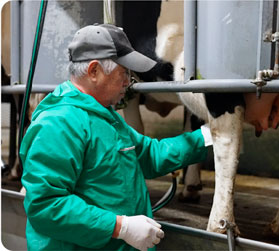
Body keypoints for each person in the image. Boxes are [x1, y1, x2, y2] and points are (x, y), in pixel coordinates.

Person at [20, 23, 212, 251]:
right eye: (124, 73)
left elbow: (150, 155)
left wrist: (208, 137)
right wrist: (120, 227)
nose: (128, 82)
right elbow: (46, 205)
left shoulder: (105, 116)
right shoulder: (58, 124)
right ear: (94, 71)